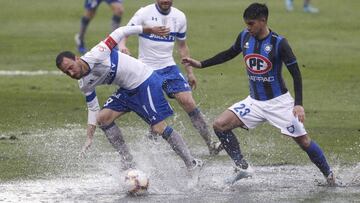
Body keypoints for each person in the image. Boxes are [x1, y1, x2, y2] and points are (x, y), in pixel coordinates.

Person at [182, 3, 335, 186]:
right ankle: (242, 167)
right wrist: (201, 64)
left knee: (303, 141)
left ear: (263, 21)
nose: (248, 27)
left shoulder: (279, 43)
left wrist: (298, 104)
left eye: (251, 24)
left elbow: (296, 74)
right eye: (247, 23)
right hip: (254, 102)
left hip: (279, 103)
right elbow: (230, 53)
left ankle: (330, 176)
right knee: (220, 125)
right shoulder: (245, 36)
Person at [56, 25, 203, 171]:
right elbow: (93, 108)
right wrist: (89, 137)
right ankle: (128, 160)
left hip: (145, 80)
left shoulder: (98, 53)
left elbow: (121, 31)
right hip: (127, 89)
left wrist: (149, 30)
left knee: (158, 128)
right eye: (66, 72)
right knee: (102, 118)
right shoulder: (84, 83)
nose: (71, 73)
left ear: (76, 58)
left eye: (70, 67)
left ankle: (191, 164)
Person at [119, 0, 223, 156]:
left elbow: (182, 46)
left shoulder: (179, 16)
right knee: (156, 114)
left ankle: (210, 144)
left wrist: (190, 72)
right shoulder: (144, 12)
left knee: (188, 102)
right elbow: (125, 32)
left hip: (169, 67)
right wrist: (122, 45)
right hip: (147, 70)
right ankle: (151, 148)